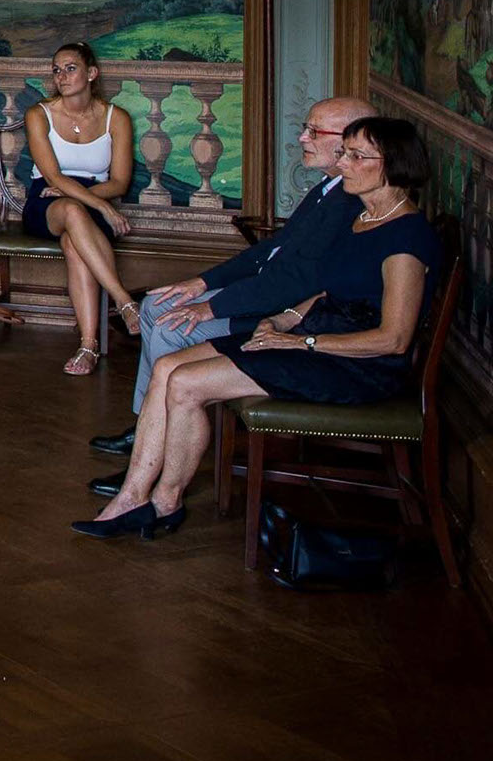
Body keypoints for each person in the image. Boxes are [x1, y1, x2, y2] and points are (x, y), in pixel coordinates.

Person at [76, 116, 440, 543]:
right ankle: (133, 496)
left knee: (187, 384)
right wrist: (285, 318)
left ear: (392, 165)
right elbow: (332, 293)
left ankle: (164, 504)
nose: (343, 164)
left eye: (356, 156)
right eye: (344, 153)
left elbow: (393, 338)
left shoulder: (405, 237)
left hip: (357, 365)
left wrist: (300, 340)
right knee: (167, 368)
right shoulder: (362, 217)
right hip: (316, 339)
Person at [85, 94, 371, 493]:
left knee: (170, 328)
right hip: (265, 297)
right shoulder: (330, 187)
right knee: (157, 304)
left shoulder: (348, 202)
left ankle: (158, 459)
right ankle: (146, 428)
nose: (302, 137)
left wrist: (210, 308)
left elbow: (290, 286)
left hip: (278, 316)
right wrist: (200, 284)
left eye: (313, 130)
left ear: (347, 141)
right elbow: (270, 251)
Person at [20, 41, 139, 375]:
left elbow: (120, 182)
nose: (61, 76)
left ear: (92, 73)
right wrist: (100, 205)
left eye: (70, 68)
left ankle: (88, 346)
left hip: (92, 196)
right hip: (46, 200)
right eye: (56, 70)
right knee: (71, 211)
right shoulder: (38, 114)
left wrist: (95, 199)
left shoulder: (117, 118)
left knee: (75, 241)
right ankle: (124, 301)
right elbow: (53, 176)